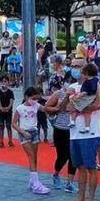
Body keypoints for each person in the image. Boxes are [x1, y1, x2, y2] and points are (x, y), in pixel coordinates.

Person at [61, 70, 100, 201]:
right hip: (74, 134)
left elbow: (98, 104)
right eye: (72, 65)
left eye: (78, 66)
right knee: (79, 166)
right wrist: (67, 96)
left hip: (90, 133)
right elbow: (64, 107)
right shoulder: (72, 86)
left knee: (90, 167)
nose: (74, 69)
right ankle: (80, 199)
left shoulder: (94, 84)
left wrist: (78, 107)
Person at [43, 56, 77, 192]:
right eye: (68, 81)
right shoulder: (59, 93)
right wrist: (59, 107)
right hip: (61, 128)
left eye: (72, 81)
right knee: (62, 155)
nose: (70, 83)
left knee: (73, 155)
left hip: (74, 128)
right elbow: (47, 107)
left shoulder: (80, 93)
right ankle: (56, 174)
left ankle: (69, 182)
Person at [12, 87, 51, 195]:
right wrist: (23, 132)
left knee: (34, 157)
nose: (35, 100)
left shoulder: (36, 105)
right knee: (31, 157)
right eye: (33, 98)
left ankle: (33, 180)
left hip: (34, 132)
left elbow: (46, 109)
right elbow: (14, 123)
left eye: (36, 99)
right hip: (25, 133)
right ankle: (36, 184)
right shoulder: (20, 108)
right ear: (27, 97)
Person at [0, 75, 15, 148]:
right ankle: (1, 141)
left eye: (5, 81)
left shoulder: (10, 92)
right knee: (1, 126)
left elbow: (11, 100)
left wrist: (8, 107)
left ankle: (10, 140)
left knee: (9, 126)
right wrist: (1, 107)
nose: (4, 83)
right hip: (0, 111)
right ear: (0, 82)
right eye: (2, 81)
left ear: (8, 82)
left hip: (8, 111)